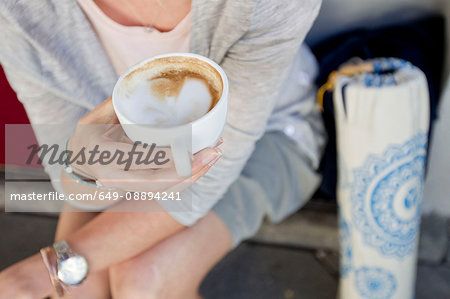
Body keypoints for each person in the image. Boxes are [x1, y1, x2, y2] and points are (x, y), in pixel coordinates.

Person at [0, 0, 325, 298]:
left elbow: (211, 168)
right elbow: (70, 179)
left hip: (271, 135)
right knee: (79, 293)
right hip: (133, 150)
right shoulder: (18, 9)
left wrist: (46, 270)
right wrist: (84, 167)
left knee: (144, 282)